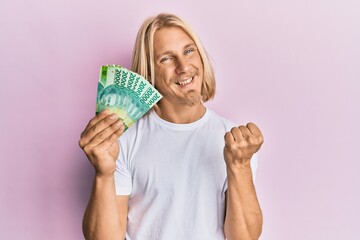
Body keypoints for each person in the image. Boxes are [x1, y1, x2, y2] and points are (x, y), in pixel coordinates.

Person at [79, 13, 264, 240]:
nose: (184, 66)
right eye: (166, 58)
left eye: (188, 51)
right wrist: (103, 174)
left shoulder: (234, 142)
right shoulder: (123, 142)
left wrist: (240, 165)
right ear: (149, 74)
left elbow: (244, 238)